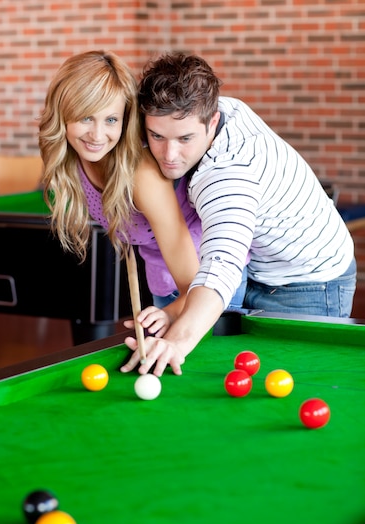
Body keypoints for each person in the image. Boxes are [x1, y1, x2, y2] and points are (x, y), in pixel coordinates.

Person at [121, 52, 356, 377]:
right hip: (261, 264)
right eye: (157, 136)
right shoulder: (214, 106)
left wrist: (176, 340)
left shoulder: (226, 175)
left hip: (310, 279)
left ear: (212, 122)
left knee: (299, 381)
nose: (169, 155)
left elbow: (221, 265)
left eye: (185, 139)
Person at [38, 50, 202, 333]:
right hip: (163, 280)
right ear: (63, 113)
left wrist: (168, 316)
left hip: (207, 284)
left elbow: (195, 284)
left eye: (111, 120)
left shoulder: (142, 173)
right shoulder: (73, 160)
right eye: (86, 118)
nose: (97, 135)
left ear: (125, 120)